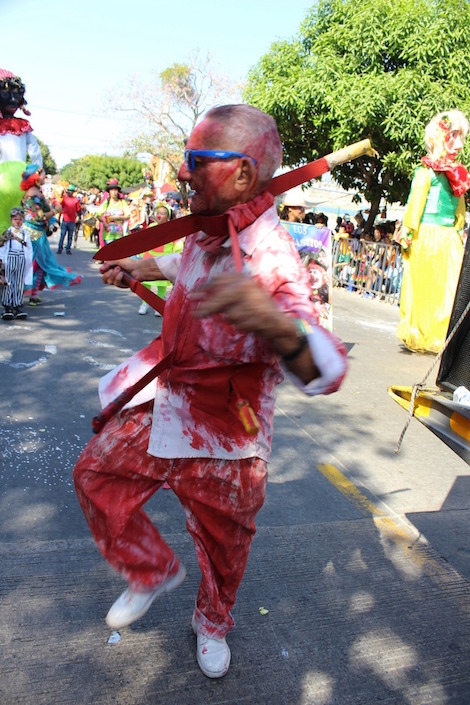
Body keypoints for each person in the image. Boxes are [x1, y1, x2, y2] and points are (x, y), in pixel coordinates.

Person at [73, 104, 348, 679]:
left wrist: (273, 324)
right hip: (165, 404)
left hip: (228, 437)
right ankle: (149, 568)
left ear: (244, 175)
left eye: (197, 161)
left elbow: (327, 368)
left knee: (225, 553)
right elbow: (184, 262)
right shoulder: (210, 224)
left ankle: (213, 622)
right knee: (96, 476)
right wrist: (138, 269)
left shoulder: (273, 257)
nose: (182, 172)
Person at [396, 110, 470, 353]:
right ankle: (420, 334)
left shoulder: (457, 175)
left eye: (461, 137)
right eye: (454, 136)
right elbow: (415, 204)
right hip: (425, 237)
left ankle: (443, 337)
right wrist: (408, 233)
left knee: (450, 289)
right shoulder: (425, 172)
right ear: (441, 137)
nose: (459, 144)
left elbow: (459, 208)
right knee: (423, 287)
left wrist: (459, 231)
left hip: (449, 239)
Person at [20, 164, 81, 304]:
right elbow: (38, 217)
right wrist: (56, 211)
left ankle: (33, 295)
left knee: (41, 264)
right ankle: (21, 294)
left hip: (37, 234)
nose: (45, 177)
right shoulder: (32, 194)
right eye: (43, 175)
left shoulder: (36, 191)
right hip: (32, 235)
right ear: (35, 176)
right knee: (35, 264)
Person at [0, 68, 43, 234]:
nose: (12, 99)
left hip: (21, 180)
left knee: (20, 221)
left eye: (16, 94)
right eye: (6, 93)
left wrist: (36, 173)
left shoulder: (23, 126)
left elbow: (35, 152)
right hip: (9, 179)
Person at [0, 207, 32, 320]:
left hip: (21, 259)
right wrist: (2, 263)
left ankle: (18, 305)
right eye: (15, 219)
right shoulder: (7, 233)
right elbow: (2, 249)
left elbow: (29, 249)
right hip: (9, 259)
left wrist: (28, 263)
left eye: (20, 219)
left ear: (23, 220)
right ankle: (7, 306)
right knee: (8, 282)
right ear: (11, 220)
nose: (17, 222)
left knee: (19, 283)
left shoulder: (25, 234)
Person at [95, 178, 130, 246]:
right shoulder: (107, 202)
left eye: (115, 190)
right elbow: (98, 214)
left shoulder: (122, 202)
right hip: (108, 235)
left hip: (119, 235)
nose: (114, 192)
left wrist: (117, 218)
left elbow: (128, 216)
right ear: (109, 192)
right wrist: (104, 222)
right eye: (112, 190)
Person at [57, 185, 81, 254]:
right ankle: (60, 248)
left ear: (73, 192)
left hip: (72, 220)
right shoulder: (65, 199)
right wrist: (59, 218)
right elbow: (61, 209)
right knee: (63, 235)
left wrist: (79, 216)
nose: (69, 192)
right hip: (66, 220)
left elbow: (78, 210)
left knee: (69, 236)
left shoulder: (76, 200)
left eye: (71, 191)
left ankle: (67, 248)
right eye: (69, 191)